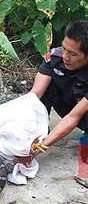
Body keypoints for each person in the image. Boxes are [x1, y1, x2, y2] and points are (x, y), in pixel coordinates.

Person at [27, 20, 88, 165]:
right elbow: (33, 96)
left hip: (82, 114)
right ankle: (40, 129)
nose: (65, 56)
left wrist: (42, 146)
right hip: (71, 104)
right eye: (65, 48)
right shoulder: (56, 57)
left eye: (73, 54)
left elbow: (74, 117)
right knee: (46, 87)